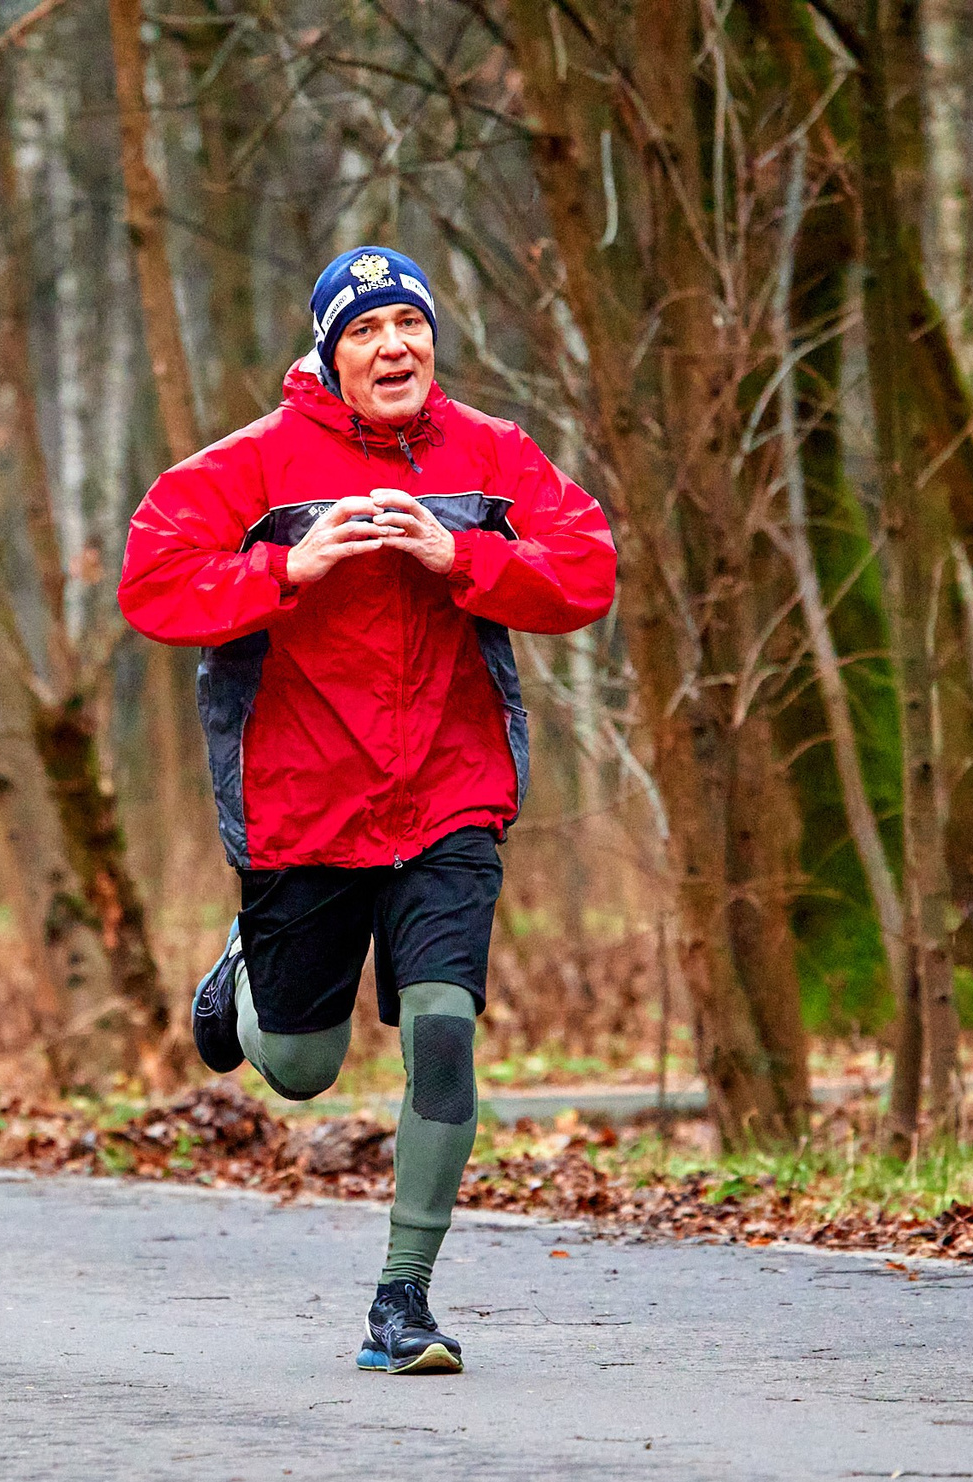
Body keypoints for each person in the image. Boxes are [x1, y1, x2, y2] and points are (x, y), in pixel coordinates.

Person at [118, 247, 617, 1375]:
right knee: (296, 1068)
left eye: (410, 325)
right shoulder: (256, 464)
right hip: (307, 811)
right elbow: (149, 584)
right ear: (328, 351)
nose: (393, 346)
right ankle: (244, 968)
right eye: (365, 330)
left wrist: (465, 555)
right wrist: (283, 574)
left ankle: (403, 1303)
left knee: (443, 1039)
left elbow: (585, 571)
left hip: (451, 801)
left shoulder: (489, 456)